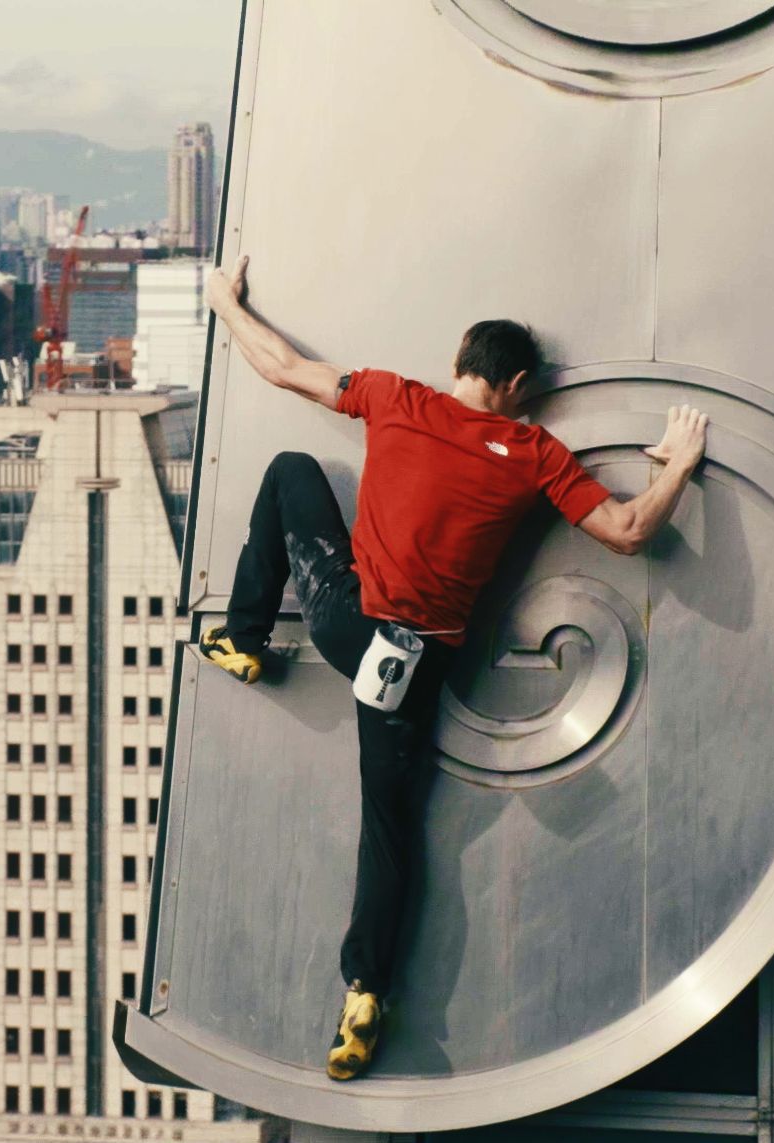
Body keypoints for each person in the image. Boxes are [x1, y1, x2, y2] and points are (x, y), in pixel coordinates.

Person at [200, 255, 709, 1082]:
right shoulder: (535, 451)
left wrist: (226, 302)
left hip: (344, 621)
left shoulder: (397, 397)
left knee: (294, 469)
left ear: (458, 365)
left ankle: (243, 637)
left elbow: (282, 366)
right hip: (416, 661)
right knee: (390, 825)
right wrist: (677, 464)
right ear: (513, 383)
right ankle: (365, 990)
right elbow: (625, 530)